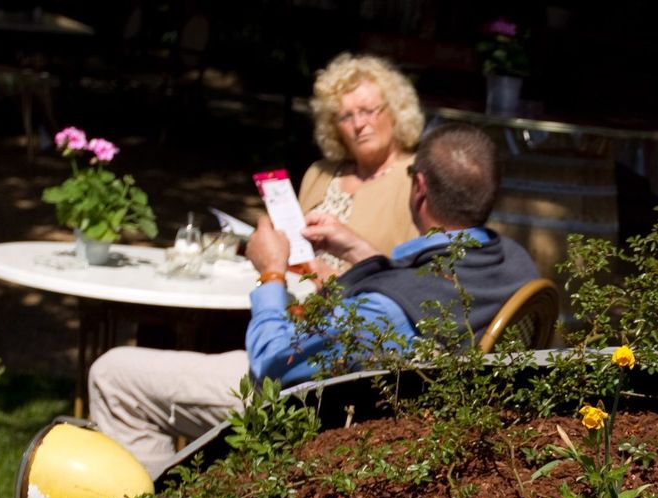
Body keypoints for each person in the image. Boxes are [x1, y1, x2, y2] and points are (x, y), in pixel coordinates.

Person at [88, 123, 540, 478]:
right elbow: (432, 283)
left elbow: (273, 364)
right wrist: (361, 252)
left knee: (114, 375)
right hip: (417, 416)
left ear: (419, 187)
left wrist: (270, 272)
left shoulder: (387, 310)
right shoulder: (516, 264)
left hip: (323, 413)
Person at [297, 53, 424, 277]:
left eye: (368, 111)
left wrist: (334, 282)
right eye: (345, 117)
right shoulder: (319, 173)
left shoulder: (417, 178)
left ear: (395, 111)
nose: (358, 124)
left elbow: (420, 277)